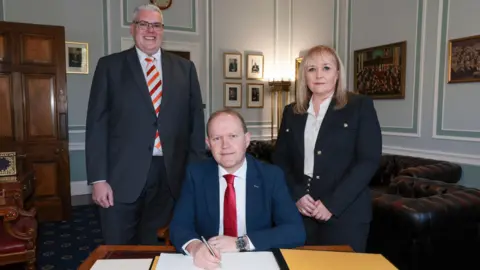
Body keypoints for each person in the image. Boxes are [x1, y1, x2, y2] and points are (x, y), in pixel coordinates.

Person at [85, 4, 206, 245]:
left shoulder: (185, 69)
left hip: (170, 178)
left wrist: (194, 176)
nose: (150, 30)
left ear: (163, 30)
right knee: (119, 249)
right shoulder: (109, 66)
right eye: (144, 24)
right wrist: (98, 180)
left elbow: (195, 124)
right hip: (120, 178)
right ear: (133, 29)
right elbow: (96, 125)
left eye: (157, 25)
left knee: (157, 246)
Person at [272, 45, 382, 252]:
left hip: (346, 213)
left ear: (337, 73)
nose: (319, 75)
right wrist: (296, 195)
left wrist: (332, 204)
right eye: (311, 69)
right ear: (304, 75)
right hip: (301, 212)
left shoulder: (359, 106)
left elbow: (368, 161)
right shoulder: (291, 112)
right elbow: (280, 159)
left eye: (326, 68)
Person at [170, 109, 306, 270]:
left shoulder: (270, 176)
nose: (225, 145)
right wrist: (196, 247)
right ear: (208, 143)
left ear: (246, 140)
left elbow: (295, 231)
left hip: (256, 261)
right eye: (217, 138)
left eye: (233, 136)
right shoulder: (196, 175)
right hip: (210, 263)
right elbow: (179, 226)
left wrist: (241, 243)